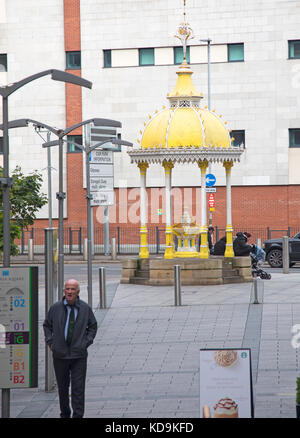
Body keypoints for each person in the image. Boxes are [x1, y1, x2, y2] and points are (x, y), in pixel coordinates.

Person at [43, 279, 98, 418]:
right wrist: (51, 342)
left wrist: (85, 342)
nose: (69, 292)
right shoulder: (55, 308)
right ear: (64, 291)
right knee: (62, 387)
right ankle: (65, 413)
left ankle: (78, 415)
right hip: (60, 355)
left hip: (78, 355)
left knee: (78, 388)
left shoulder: (85, 308)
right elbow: (47, 325)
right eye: (67, 289)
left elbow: (92, 326)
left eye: (72, 289)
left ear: (78, 292)